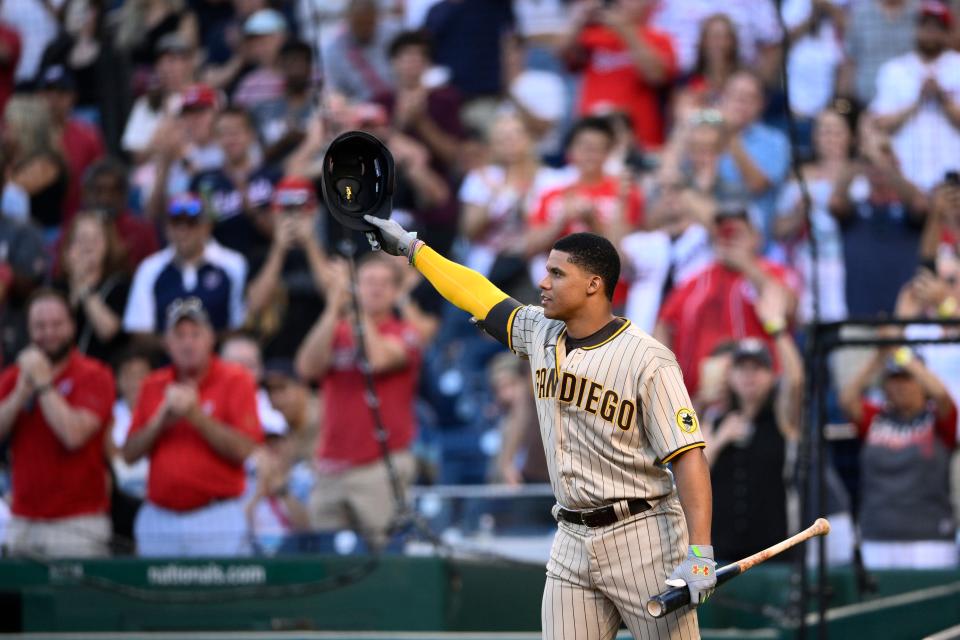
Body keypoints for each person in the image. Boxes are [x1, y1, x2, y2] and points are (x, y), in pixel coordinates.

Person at [365, 215, 715, 637]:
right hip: (570, 535)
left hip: (643, 535)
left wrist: (699, 552)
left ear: (593, 284)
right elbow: (478, 295)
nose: (543, 282)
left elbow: (688, 457)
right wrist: (412, 249)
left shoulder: (648, 359)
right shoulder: (540, 331)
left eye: (556, 273)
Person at [295, 255, 421, 546]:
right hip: (330, 468)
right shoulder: (336, 332)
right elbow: (306, 368)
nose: (374, 290)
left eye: (383, 284)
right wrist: (331, 309)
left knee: (385, 555)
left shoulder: (405, 333)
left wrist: (353, 307)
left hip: (379, 466)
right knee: (327, 556)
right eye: (367, 282)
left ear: (395, 292)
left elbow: (376, 359)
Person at [122, 297, 263, 557]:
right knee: (155, 595)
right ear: (167, 342)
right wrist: (160, 423)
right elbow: (129, 454)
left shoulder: (236, 380)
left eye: (195, 334)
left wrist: (196, 416)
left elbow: (245, 449)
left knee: (223, 594)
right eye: (179, 335)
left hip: (216, 514)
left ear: (210, 339)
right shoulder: (153, 384)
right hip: (160, 515)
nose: (188, 343)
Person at [0, 289, 115, 557]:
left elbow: (73, 435)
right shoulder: (14, 376)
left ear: (72, 326)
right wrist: (19, 393)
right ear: (28, 330)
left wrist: (43, 385)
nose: (48, 333)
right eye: (39, 326)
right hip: (24, 518)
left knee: (75, 599)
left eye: (57, 324)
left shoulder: (95, 374)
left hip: (78, 521)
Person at [702, 284, 801, 563]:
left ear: (771, 376)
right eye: (741, 368)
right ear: (729, 376)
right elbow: (693, 473)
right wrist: (722, 439)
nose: (749, 376)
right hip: (722, 552)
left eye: (757, 368)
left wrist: (777, 329)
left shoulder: (780, 418)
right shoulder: (715, 419)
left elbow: (796, 381)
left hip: (772, 551)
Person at [654, 206, 799, 395]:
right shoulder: (696, 281)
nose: (729, 239)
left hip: (761, 394)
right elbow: (663, 325)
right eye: (723, 232)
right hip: (703, 398)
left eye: (737, 233)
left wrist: (747, 265)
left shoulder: (773, 273)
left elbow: (788, 307)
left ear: (756, 237)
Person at [840, 341, 957, 569]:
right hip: (877, 535)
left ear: (922, 381)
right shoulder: (875, 418)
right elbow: (847, 399)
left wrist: (903, 355)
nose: (900, 386)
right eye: (893, 379)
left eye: (907, 378)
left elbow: (942, 396)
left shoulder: (938, 420)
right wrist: (879, 356)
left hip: (930, 540)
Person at [123, 193, 247, 340]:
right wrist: (180, 348)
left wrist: (202, 347)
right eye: (176, 223)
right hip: (165, 357)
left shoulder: (233, 263)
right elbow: (139, 329)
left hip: (221, 356)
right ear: (167, 228)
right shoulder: (149, 268)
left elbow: (241, 323)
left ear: (206, 226)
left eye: (191, 223)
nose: (183, 231)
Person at [560, 0, 677, 149]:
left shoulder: (659, 38)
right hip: (592, 138)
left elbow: (657, 76)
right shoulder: (592, 36)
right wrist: (578, 22)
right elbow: (563, 58)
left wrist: (626, 32)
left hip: (640, 138)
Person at [869, 2, 960, 191]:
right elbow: (881, 123)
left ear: (947, 32)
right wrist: (917, 102)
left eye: (937, 27)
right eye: (925, 25)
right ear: (916, 29)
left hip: (953, 175)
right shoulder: (894, 69)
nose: (930, 32)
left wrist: (942, 98)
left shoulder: (957, 66)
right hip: (908, 177)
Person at [55, 210, 131, 363]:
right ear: (69, 248)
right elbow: (55, 331)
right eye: (82, 239)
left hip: (105, 367)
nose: (88, 245)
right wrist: (75, 281)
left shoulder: (119, 285)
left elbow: (108, 331)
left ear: (107, 245)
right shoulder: (56, 287)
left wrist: (84, 287)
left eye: (95, 239)